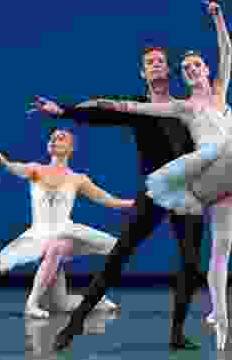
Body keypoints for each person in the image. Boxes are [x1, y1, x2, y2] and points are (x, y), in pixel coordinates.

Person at [85, 1, 232, 350]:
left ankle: (221, 321)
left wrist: (217, 17)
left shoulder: (222, 92)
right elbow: (144, 108)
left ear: (207, 69)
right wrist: (112, 105)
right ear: (184, 77)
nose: (192, 70)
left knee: (221, 253)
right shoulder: (185, 107)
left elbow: (228, 50)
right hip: (206, 175)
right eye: (186, 68)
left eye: (197, 65)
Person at [34, 49, 204, 351]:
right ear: (143, 74)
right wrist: (64, 111)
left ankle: (176, 334)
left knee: (190, 264)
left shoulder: (183, 108)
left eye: (160, 62)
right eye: (149, 63)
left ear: (168, 71)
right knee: (118, 257)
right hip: (153, 191)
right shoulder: (137, 106)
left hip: (186, 192)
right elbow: (103, 112)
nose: (155, 66)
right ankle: (73, 326)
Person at [0, 121, 130, 318]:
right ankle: (94, 300)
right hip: (39, 234)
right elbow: (7, 164)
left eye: (61, 137)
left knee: (58, 246)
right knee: (61, 303)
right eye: (52, 137)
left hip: (66, 231)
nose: (54, 140)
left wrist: (142, 202)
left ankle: (30, 304)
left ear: (71, 148)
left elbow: (110, 201)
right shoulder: (35, 169)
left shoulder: (78, 178)